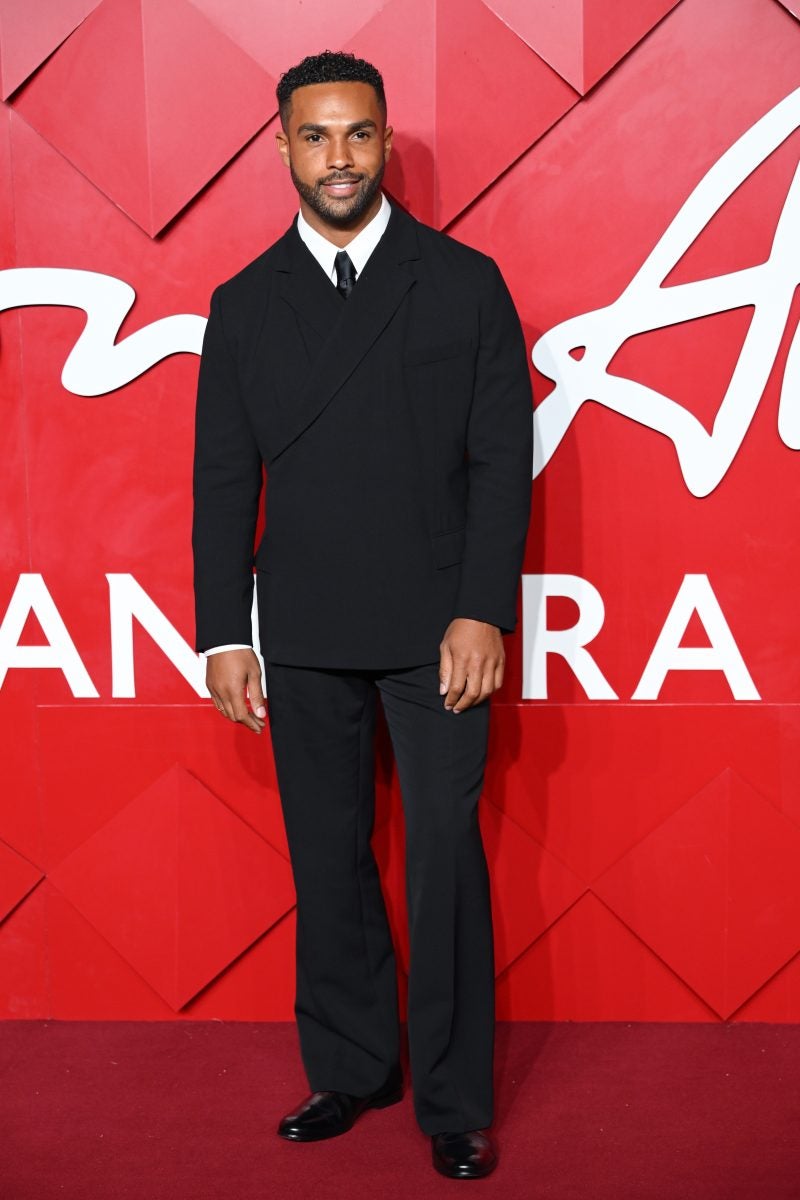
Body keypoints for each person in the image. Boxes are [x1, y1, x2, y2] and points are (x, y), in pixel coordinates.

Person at [192, 49, 532, 1180]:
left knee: (442, 860)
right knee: (326, 857)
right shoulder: (244, 304)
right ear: (282, 147)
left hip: (439, 629)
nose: (337, 156)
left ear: (385, 141)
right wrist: (224, 631)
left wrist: (481, 611)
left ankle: (452, 1100)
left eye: (357, 132)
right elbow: (222, 480)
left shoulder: (464, 282)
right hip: (302, 625)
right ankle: (349, 1067)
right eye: (315, 135)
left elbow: (501, 461)